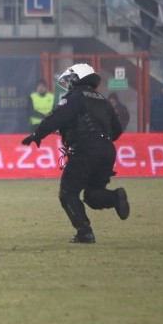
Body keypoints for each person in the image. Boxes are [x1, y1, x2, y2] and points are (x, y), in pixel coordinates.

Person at [21, 64, 130, 243]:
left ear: (77, 79)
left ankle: (84, 232)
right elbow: (117, 130)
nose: (69, 85)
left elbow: (57, 117)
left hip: (86, 149)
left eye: (70, 81)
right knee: (92, 195)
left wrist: (37, 134)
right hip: (108, 150)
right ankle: (115, 197)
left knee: (67, 192)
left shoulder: (76, 97)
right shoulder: (102, 100)